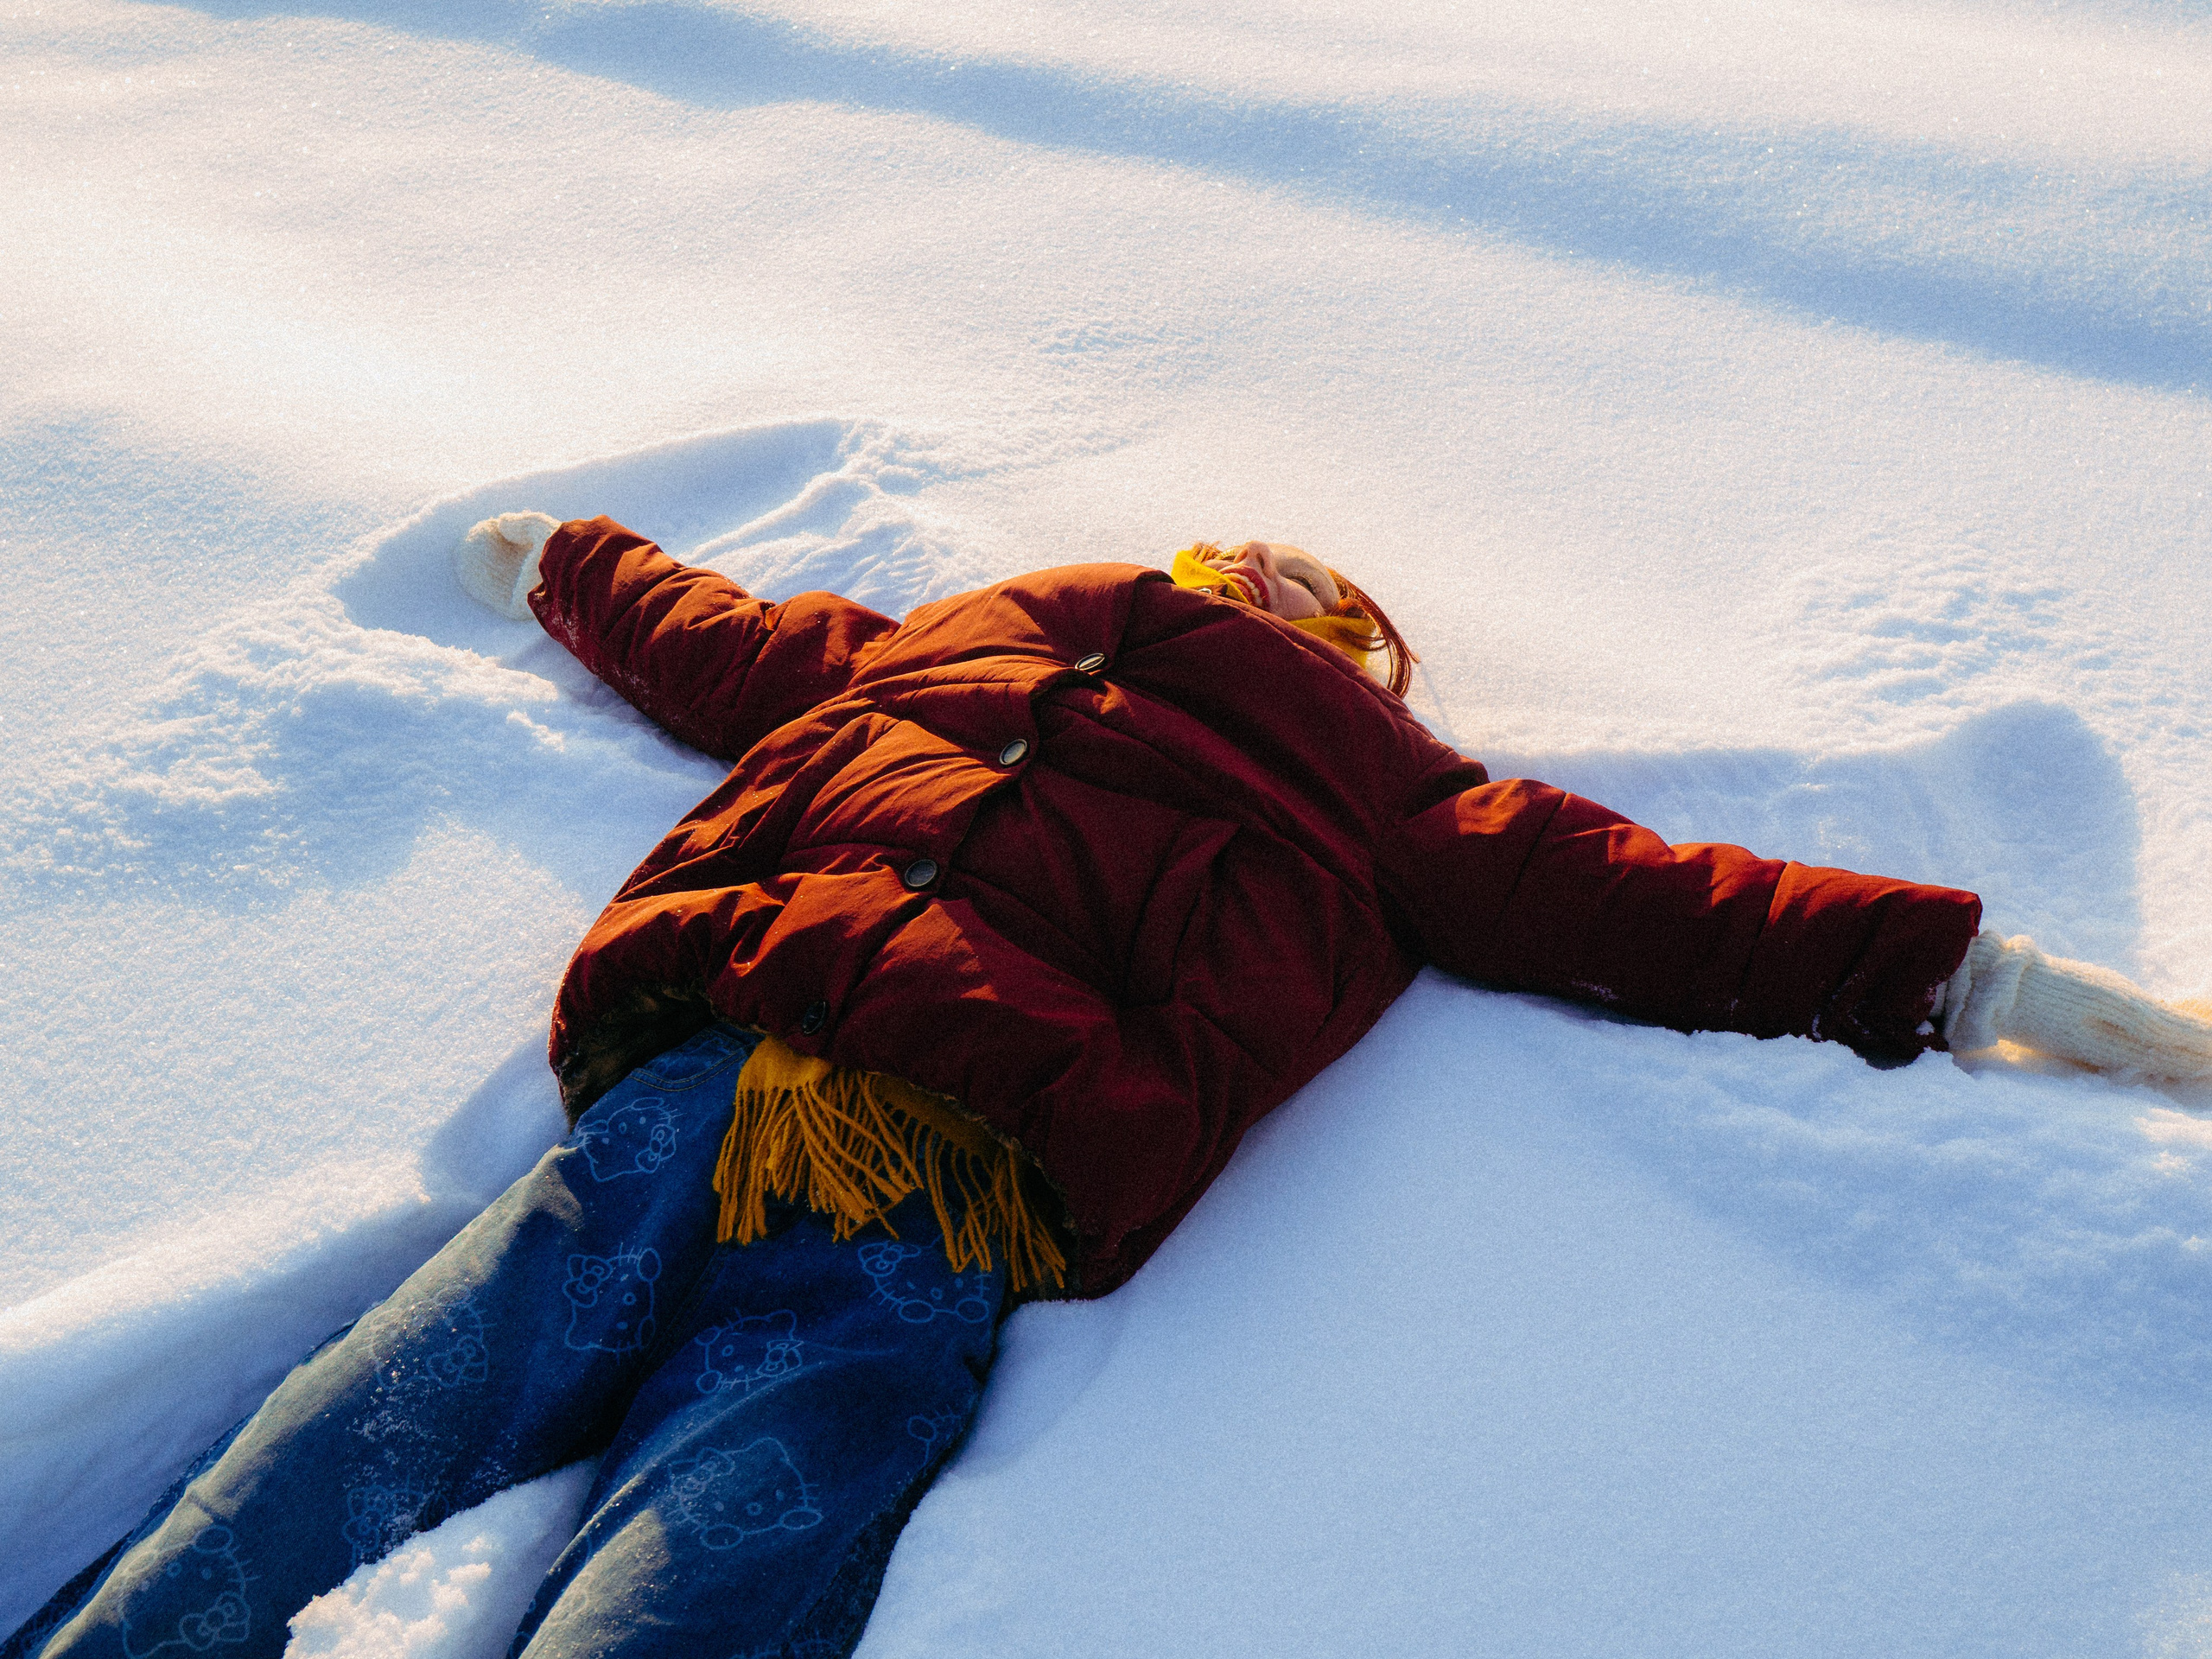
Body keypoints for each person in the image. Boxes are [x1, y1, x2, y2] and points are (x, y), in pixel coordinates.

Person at [16, 515, 2212, 1659]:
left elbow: (1666, 905)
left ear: (1352, 663)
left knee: (590, 1494)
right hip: (779, 1114)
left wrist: (1980, 975)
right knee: (475, 1468)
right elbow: (711, 637)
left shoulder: (1376, 787)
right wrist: (568, 567)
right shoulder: (972, 645)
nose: (1285, 604)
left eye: (1320, 611)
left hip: (882, 1151)